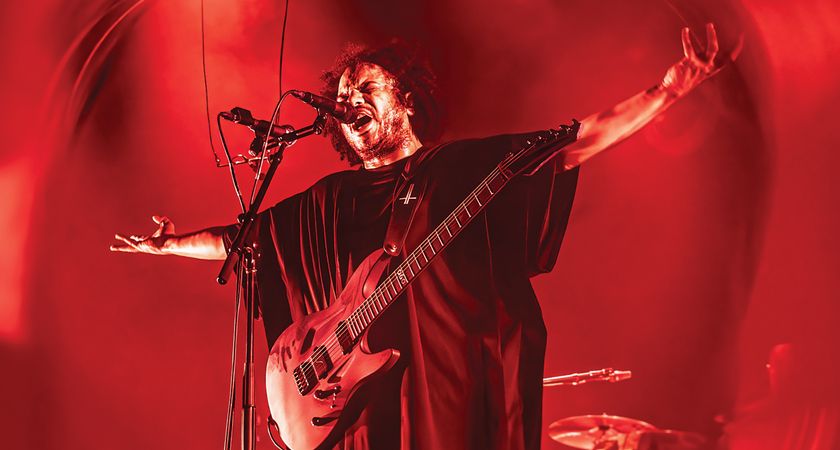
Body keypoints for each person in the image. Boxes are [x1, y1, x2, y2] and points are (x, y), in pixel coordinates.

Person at [112, 24, 732, 450]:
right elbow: (248, 241)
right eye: (343, 96)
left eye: (365, 90)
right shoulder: (328, 199)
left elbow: (569, 144)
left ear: (405, 98)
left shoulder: (458, 168)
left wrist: (669, 88)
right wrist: (171, 245)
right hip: (351, 408)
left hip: (438, 392)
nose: (349, 102)